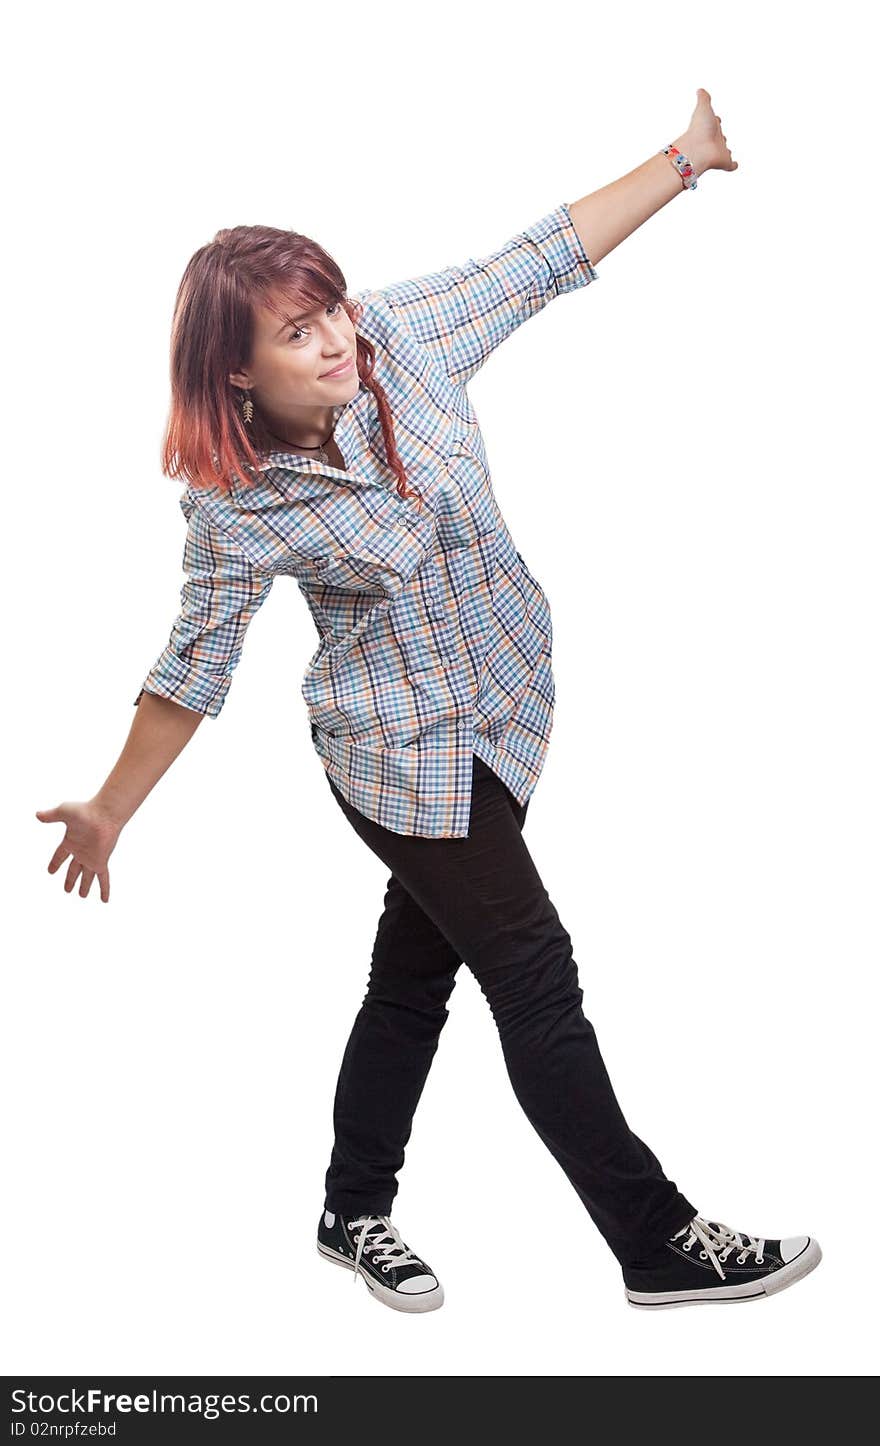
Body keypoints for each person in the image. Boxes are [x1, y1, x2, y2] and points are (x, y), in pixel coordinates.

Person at [36, 89, 821, 1313]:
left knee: (414, 980)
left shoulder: (401, 340)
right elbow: (192, 672)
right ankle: (656, 1243)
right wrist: (109, 808)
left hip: (506, 712)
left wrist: (682, 162)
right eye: (296, 333)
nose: (335, 338)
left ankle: (352, 1213)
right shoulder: (237, 506)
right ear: (234, 370)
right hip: (399, 759)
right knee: (533, 973)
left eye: (330, 309)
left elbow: (535, 259)